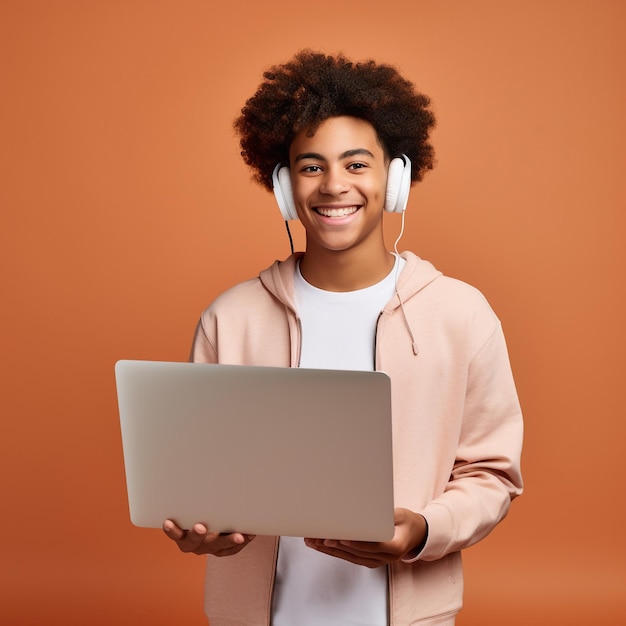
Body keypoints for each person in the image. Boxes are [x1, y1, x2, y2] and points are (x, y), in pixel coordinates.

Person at [163, 50, 524, 625]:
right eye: (311, 167)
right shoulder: (230, 319)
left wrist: (424, 530)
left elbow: (492, 475)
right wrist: (205, 529)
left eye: (357, 165)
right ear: (284, 186)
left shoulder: (461, 314)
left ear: (396, 177)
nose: (334, 186)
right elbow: (203, 480)